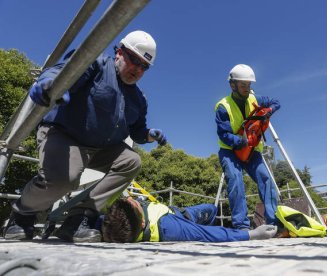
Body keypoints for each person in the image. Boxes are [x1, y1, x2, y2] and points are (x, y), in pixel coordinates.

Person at [4, 30, 167, 243]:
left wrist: (148, 135)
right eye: (133, 60)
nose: (137, 69)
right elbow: (61, 72)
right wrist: (49, 84)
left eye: (143, 66)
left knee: (131, 161)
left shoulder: (138, 99)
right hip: (65, 134)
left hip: (101, 147)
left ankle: (79, 219)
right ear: (119, 52)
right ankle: (22, 215)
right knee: (64, 180)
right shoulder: (95, 64)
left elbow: (137, 130)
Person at [215, 64, 280, 230]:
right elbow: (224, 134)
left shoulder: (254, 99)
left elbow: (276, 102)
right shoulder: (223, 106)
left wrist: (269, 110)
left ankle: (274, 222)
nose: (246, 88)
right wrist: (241, 141)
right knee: (236, 180)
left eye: (249, 85)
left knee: (265, 178)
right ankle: (241, 226)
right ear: (233, 85)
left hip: (251, 151)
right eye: (243, 85)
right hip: (230, 151)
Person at [102, 197, 277, 243]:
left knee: (210, 211)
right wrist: (251, 234)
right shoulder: (169, 228)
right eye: (134, 205)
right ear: (142, 224)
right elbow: (209, 234)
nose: (132, 199)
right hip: (182, 217)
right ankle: (193, 226)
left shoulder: (113, 222)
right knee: (212, 209)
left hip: (175, 213)